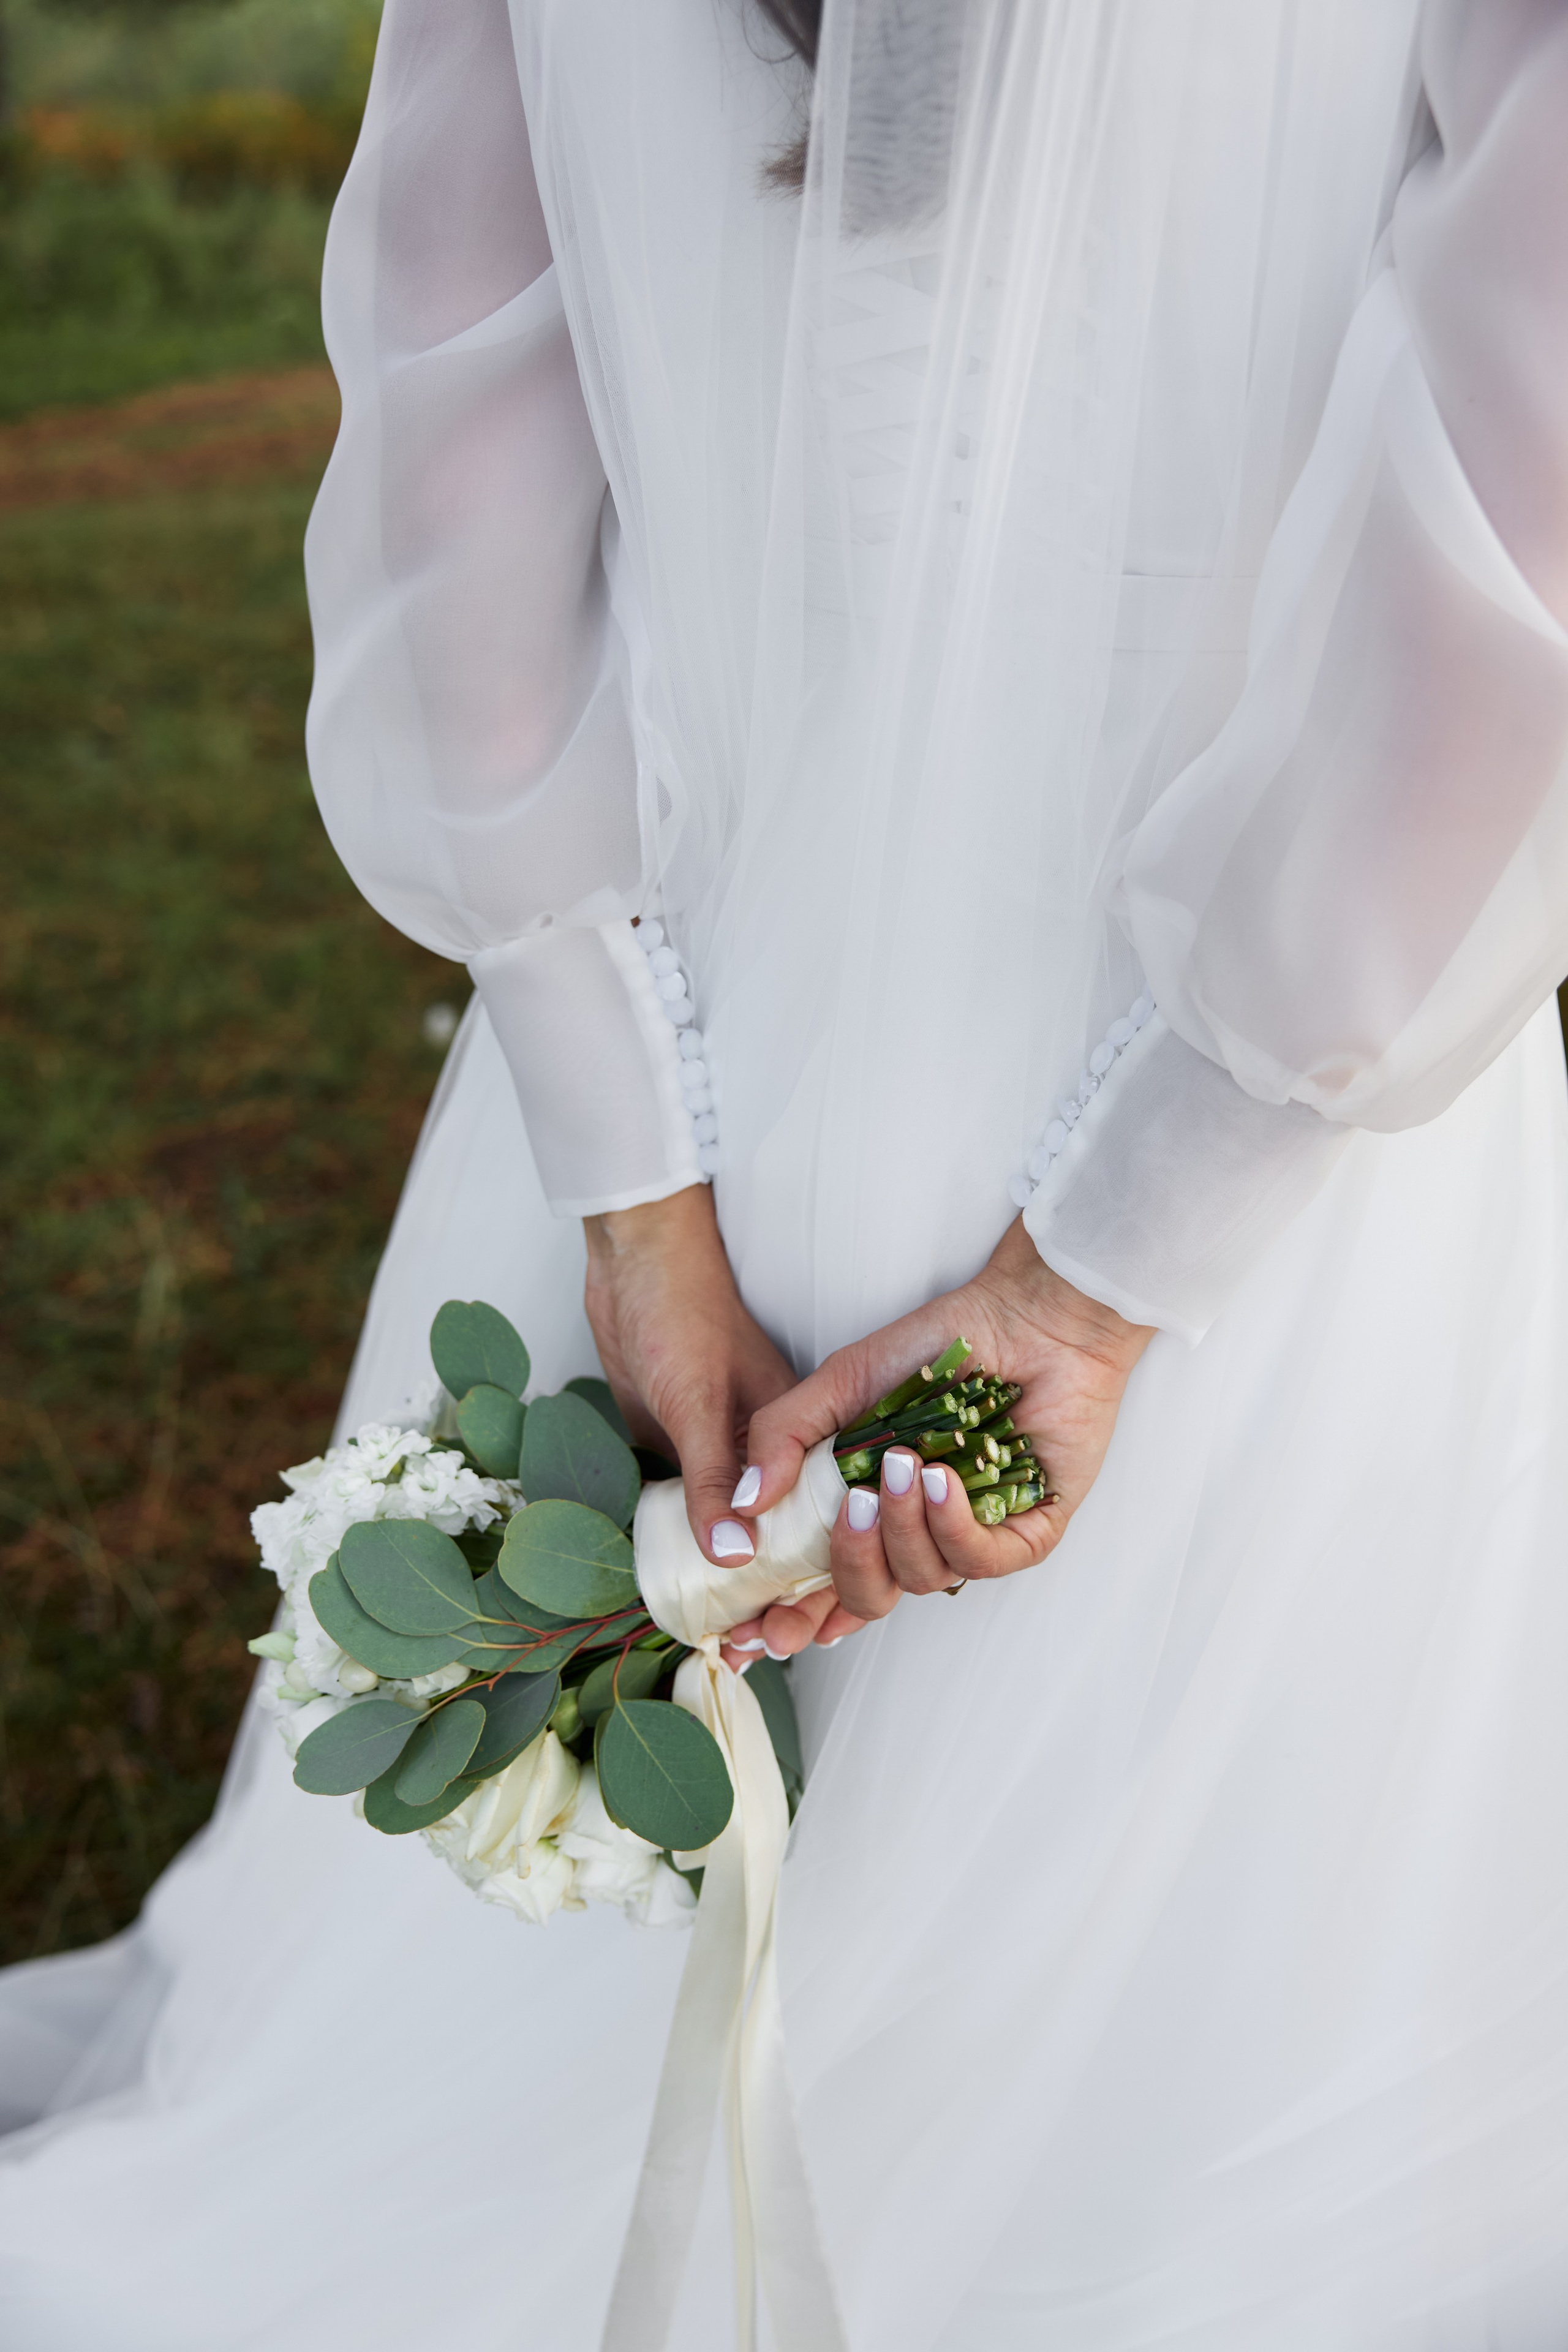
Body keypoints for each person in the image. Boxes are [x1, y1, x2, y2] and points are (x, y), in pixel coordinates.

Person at [4, 1, 1568, 2344]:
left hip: (706, 1064)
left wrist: (633, 1179)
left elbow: (459, 414)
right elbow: (1522, 486)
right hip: (1261, 1079)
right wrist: (1115, 1256)